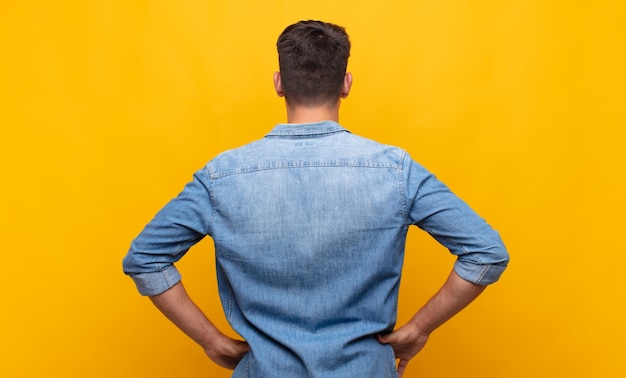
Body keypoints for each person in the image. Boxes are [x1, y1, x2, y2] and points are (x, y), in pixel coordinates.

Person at [122, 20, 509, 377]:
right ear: (346, 84)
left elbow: (146, 259)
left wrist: (212, 341)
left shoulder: (221, 177)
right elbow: (486, 252)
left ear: (278, 83)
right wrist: (419, 329)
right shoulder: (396, 171)